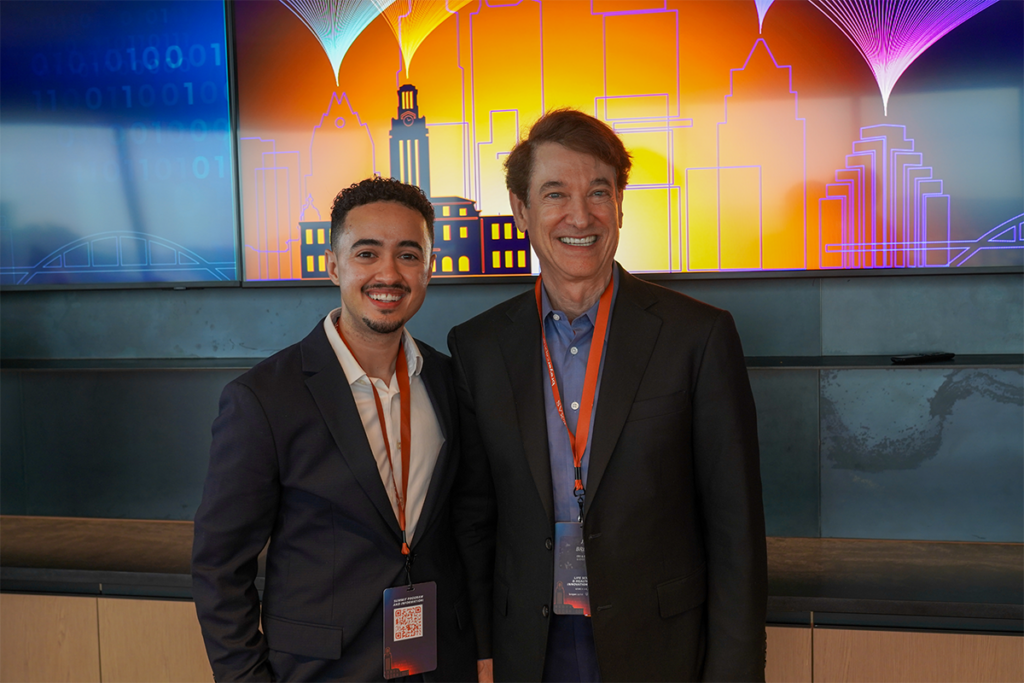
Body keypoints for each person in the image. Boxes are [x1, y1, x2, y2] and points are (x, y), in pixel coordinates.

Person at [449, 110, 767, 682]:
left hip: (660, 646)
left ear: (620, 204)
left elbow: (735, 525)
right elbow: (475, 518)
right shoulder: (477, 347)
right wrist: (476, 652)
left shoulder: (696, 336)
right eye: (555, 194)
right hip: (529, 647)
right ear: (521, 210)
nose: (580, 215)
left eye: (599, 191)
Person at [192, 177, 476, 682]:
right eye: (367, 253)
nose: (389, 273)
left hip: (437, 664)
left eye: (409, 255)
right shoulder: (263, 399)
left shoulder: (450, 382)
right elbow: (219, 568)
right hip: (322, 670)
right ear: (333, 264)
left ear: (429, 268)